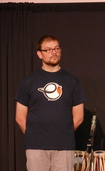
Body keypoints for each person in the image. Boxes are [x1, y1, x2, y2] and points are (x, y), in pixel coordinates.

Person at [15, 35, 86, 171]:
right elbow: (20, 116)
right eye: (48, 50)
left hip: (64, 146)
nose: (53, 52)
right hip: (36, 146)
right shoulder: (29, 81)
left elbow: (79, 116)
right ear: (39, 54)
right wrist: (34, 135)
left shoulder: (72, 81)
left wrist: (63, 135)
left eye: (56, 48)